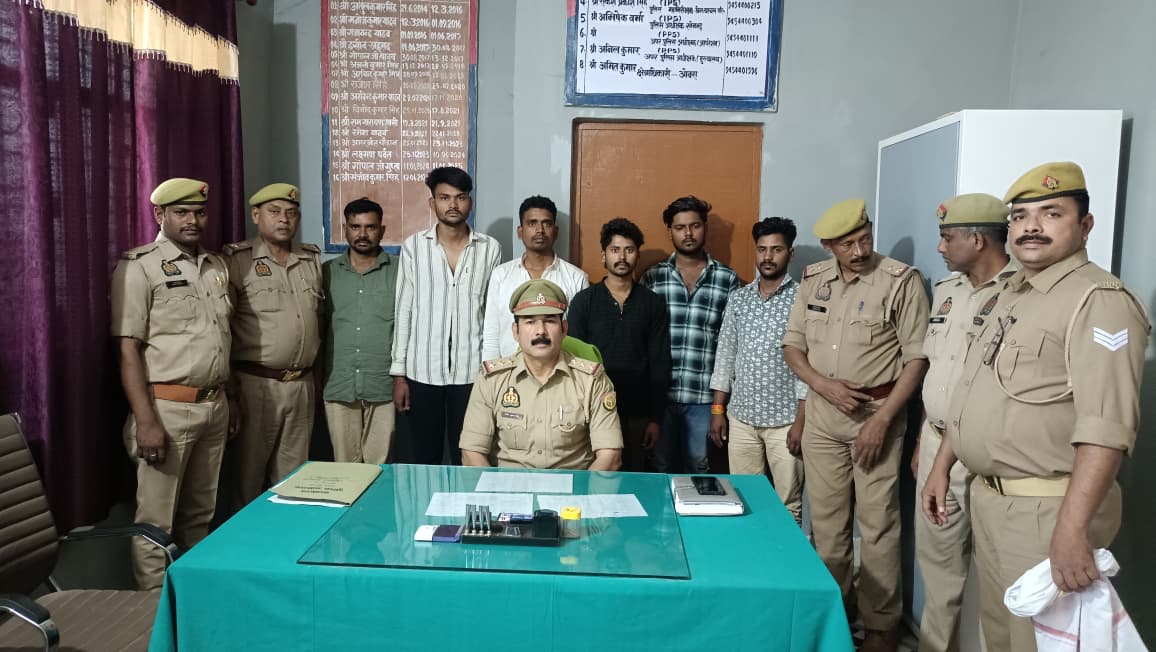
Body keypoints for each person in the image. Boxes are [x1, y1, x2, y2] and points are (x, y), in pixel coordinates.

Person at [922, 162, 1149, 652]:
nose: (1031, 226)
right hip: (992, 500)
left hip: (1046, 510)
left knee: (1038, 643)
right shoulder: (1012, 293)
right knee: (1002, 637)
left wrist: (1072, 528)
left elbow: (1106, 428)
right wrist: (942, 464)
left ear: (1085, 225)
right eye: (1021, 216)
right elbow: (973, 391)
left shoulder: (1097, 300)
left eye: (1051, 213)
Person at [782, 198, 929, 652]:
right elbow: (793, 347)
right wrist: (821, 386)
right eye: (848, 245)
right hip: (823, 418)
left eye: (865, 239)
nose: (860, 251)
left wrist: (883, 419)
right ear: (829, 246)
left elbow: (918, 358)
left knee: (878, 523)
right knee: (827, 525)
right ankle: (838, 615)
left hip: (876, 416)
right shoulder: (814, 280)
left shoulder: (900, 281)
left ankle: (882, 627)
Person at [110, 178, 233, 589]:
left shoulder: (216, 266)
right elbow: (128, 350)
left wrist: (230, 396)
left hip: (214, 405)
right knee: (155, 522)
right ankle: (152, 610)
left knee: (200, 514)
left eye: (199, 212)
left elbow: (220, 339)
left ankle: (195, 598)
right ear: (159, 214)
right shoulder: (139, 266)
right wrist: (145, 421)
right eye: (181, 212)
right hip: (167, 409)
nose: (192, 220)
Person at [912, 193, 1017, 652]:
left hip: (991, 453)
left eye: (946, 237)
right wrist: (923, 442)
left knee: (1001, 582)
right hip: (937, 445)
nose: (940, 248)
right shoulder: (947, 291)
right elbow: (936, 372)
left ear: (976, 240)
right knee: (939, 572)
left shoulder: (1021, 293)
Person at [391, 166, 501, 465]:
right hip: (422, 373)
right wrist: (399, 376)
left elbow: (493, 315)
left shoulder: (490, 249)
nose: (453, 204)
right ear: (432, 203)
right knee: (422, 458)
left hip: (472, 374)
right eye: (444, 197)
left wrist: (492, 373)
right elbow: (404, 311)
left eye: (460, 197)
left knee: (469, 455)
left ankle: (463, 500)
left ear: (470, 202)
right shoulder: (414, 248)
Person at [224, 183, 322, 509]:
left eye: (291, 213)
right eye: (275, 212)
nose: (284, 219)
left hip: (302, 384)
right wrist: (231, 391)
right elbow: (221, 328)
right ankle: (246, 541)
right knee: (248, 480)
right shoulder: (238, 261)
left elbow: (319, 321)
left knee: (295, 483)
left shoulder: (309, 259)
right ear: (256, 215)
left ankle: (287, 540)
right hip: (256, 385)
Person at [460, 279, 623, 470]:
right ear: (516, 331)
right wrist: (495, 489)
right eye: (530, 321)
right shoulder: (492, 380)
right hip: (509, 485)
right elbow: (471, 454)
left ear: (564, 329)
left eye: (549, 321)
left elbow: (610, 456)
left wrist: (582, 491)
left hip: (572, 487)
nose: (540, 331)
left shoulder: (591, 380)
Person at [709, 217, 808, 525]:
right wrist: (718, 410)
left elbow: (810, 363)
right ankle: (749, 555)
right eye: (762, 249)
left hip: (786, 421)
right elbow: (725, 355)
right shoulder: (739, 298)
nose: (768, 256)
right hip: (742, 419)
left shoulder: (803, 299)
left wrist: (801, 421)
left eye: (776, 249)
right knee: (743, 499)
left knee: (788, 504)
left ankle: (784, 557)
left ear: (790, 254)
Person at [641, 196, 739, 473]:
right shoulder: (654, 277)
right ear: (670, 231)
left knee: (699, 466)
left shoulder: (726, 278)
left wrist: (719, 407)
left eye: (694, 226)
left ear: (704, 228)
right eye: (680, 227)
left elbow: (730, 346)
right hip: (661, 397)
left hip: (703, 398)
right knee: (659, 467)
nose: (688, 233)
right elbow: (642, 340)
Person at [568, 218, 672, 472]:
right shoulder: (584, 301)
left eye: (629, 250)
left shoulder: (652, 303)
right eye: (615, 250)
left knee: (635, 479)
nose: (622, 257)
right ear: (604, 255)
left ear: (637, 255)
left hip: (639, 413)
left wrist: (655, 419)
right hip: (593, 412)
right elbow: (574, 361)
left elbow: (660, 362)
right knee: (597, 479)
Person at [321, 197, 399, 464]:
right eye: (355, 227)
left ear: (382, 230)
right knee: (345, 469)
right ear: (345, 229)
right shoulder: (327, 273)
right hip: (339, 383)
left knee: (380, 469)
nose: (362, 234)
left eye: (370, 227)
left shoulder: (400, 271)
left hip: (383, 385)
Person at [482, 195, 588, 361]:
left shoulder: (576, 278)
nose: (540, 230)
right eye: (532, 223)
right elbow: (491, 333)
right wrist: (491, 372)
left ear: (556, 232)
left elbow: (579, 339)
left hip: (560, 370)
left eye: (547, 223)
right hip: (509, 369)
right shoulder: (501, 275)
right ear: (520, 231)